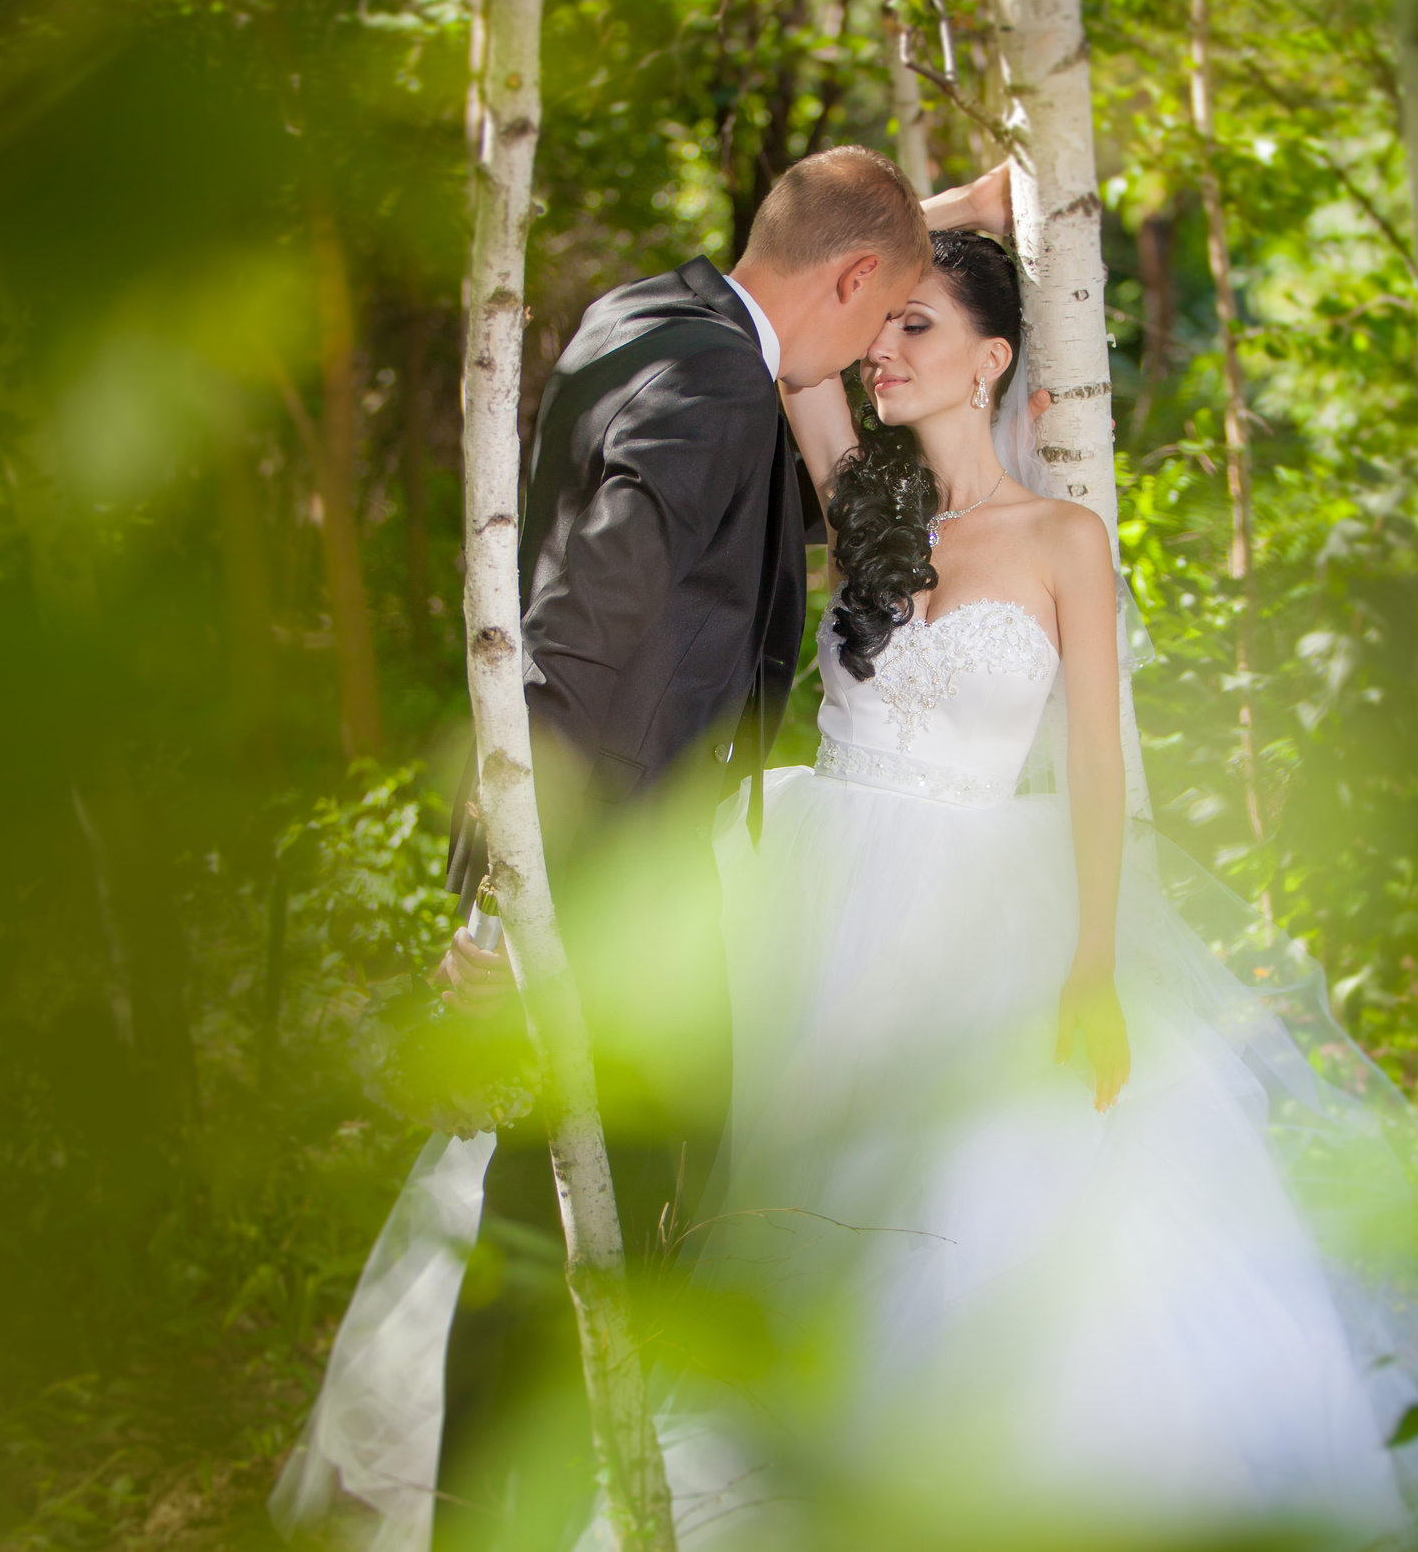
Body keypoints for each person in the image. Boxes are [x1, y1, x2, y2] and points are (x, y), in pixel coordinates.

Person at [614, 229, 1418, 1548]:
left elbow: (1095, 769)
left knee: (974, 1203)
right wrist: (905, 234)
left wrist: (1091, 963)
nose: (887, 351)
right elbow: (804, 377)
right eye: (884, 324)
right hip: (816, 897)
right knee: (811, 1189)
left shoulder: (1063, 540)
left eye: (920, 328)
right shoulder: (867, 503)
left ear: (993, 359)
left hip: (981, 916)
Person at [275, 149, 1018, 1552]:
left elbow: (834, 225)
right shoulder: (720, 389)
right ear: (857, 284)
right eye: (881, 314)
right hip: (608, 885)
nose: (869, 356)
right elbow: (590, 628)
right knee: (580, 1227)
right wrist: (518, 907)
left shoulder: (641, 316)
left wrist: (954, 213)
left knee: (534, 1218)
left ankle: (497, 1515)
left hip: (608, 868)